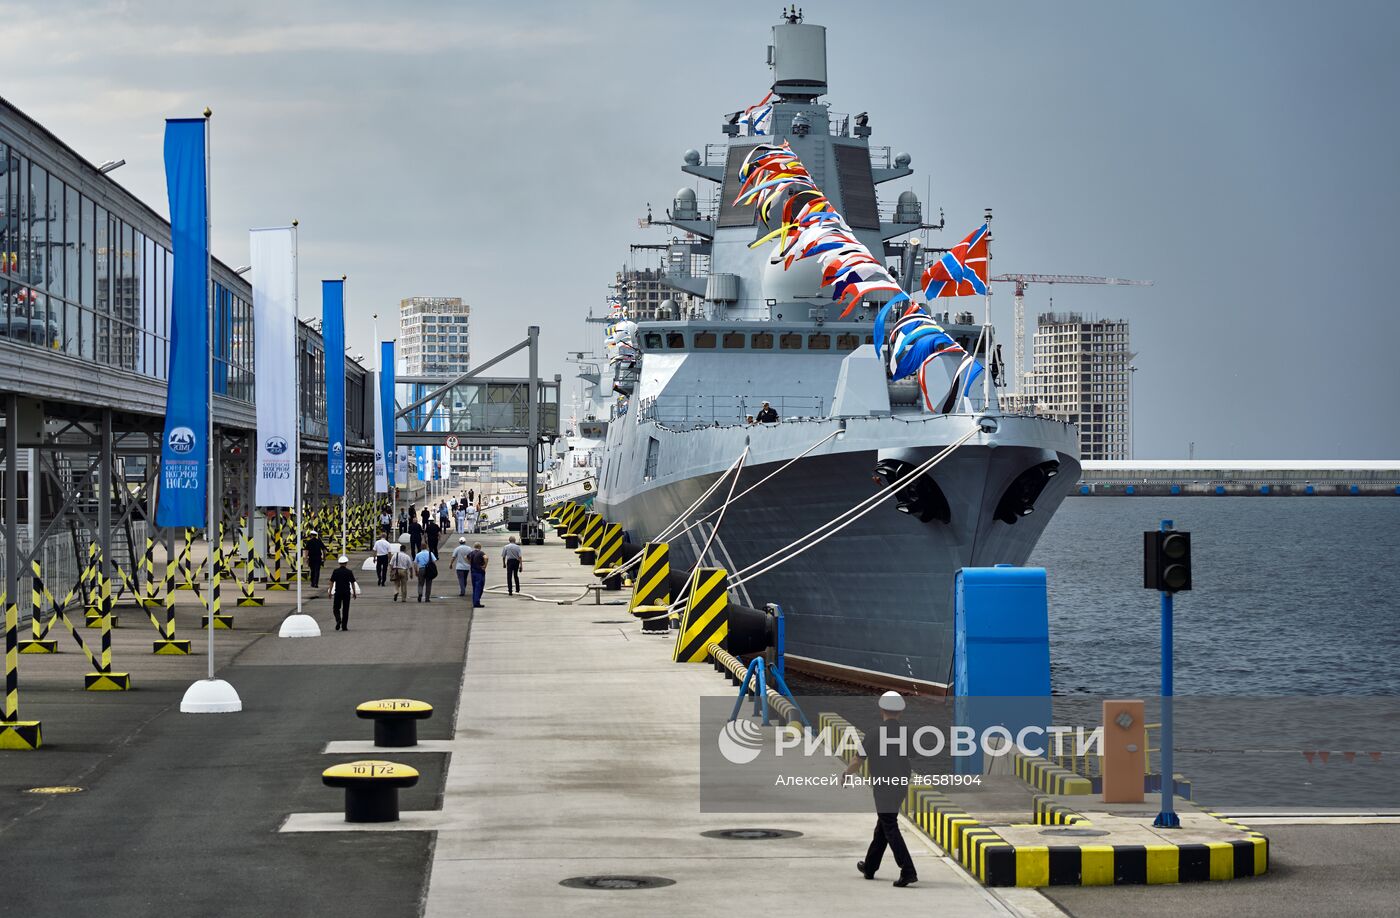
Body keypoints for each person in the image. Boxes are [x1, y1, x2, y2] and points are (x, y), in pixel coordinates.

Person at [843, 691, 917, 888]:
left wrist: (846, 774)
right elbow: (912, 754)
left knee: (889, 825)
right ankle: (870, 866)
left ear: (881, 710)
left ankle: (908, 870)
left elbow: (858, 759)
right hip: (900, 785)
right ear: (900, 712)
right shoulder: (907, 733)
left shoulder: (874, 733)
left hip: (883, 786)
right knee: (883, 825)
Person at [328, 555, 358, 631]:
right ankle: (344, 626)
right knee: (345, 609)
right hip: (346, 592)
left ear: (339, 563)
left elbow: (331, 582)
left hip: (338, 592)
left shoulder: (335, 571)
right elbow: (352, 583)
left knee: (336, 608)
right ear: (346, 563)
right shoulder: (349, 572)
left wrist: (330, 591)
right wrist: (354, 592)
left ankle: (338, 620)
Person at [466, 541, 488, 608]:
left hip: (473, 571)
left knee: (475, 587)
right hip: (479, 572)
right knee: (479, 587)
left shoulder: (471, 553)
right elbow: (486, 558)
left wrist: (470, 563)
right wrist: (485, 566)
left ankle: (475, 601)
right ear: (480, 547)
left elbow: (466, 557)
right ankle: (476, 602)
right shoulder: (481, 553)